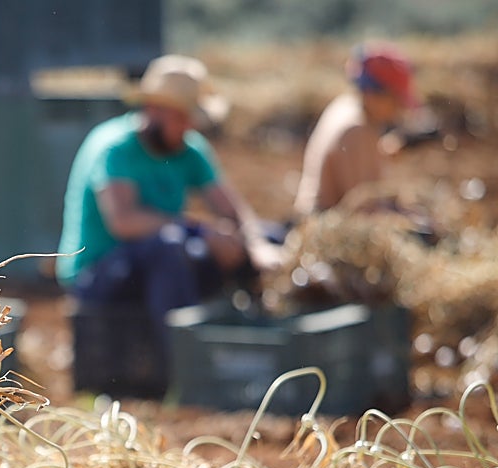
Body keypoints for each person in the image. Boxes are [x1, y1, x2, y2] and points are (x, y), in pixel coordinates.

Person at [56, 54, 279, 377]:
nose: (189, 128)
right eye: (182, 118)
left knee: (265, 235)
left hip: (161, 258)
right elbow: (124, 221)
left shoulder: (189, 148)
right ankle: (183, 370)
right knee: (170, 246)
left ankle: (256, 345)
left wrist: (256, 245)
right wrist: (201, 232)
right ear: (154, 110)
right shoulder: (114, 149)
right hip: (98, 274)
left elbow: (231, 209)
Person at [293, 42, 419, 218]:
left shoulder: (345, 105)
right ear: (375, 94)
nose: (399, 109)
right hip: (323, 228)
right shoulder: (357, 130)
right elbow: (365, 206)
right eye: (396, 100)